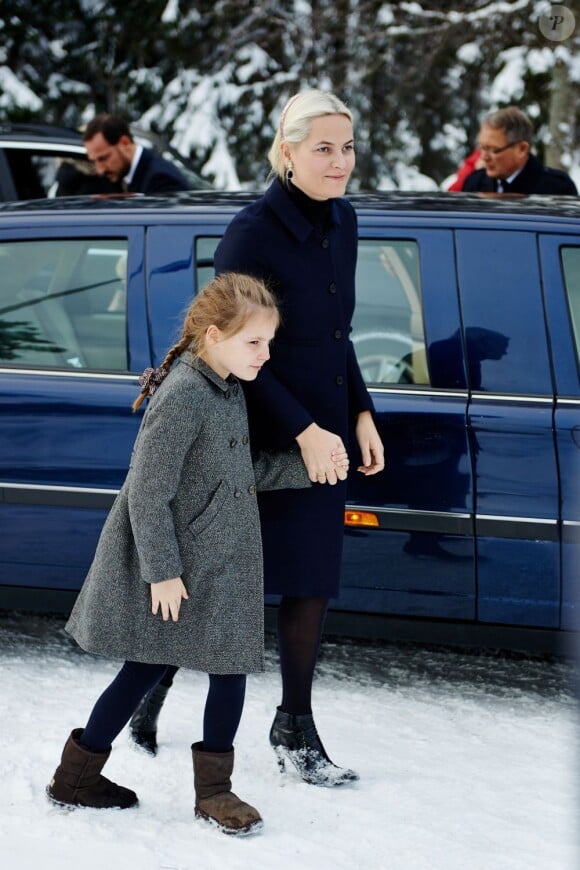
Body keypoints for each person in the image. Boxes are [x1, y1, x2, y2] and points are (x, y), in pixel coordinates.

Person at [45, 272, 324, 835]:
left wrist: (310, 468)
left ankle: (212, 793)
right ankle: (76, 779)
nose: (265, 356)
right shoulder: (184, 395)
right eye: (254, 343)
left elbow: (231, 475)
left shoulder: (225, 387)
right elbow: (147, 491)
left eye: (269, 342)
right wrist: (163, 573)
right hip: (179, 567)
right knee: (144, 668)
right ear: (215, 335)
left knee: (226, 666)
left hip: (218, 562)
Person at [462, 106, 578, 194]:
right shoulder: (474, 184)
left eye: (494, 150)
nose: (484, 157)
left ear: (522, 149)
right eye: (482, 147)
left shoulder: (557, 189)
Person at [82, 114, 189, 193]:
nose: (100, 170)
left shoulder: (161, 180)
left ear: (125, 143)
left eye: (103, 158)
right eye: (94, 161)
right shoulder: (127, 175)